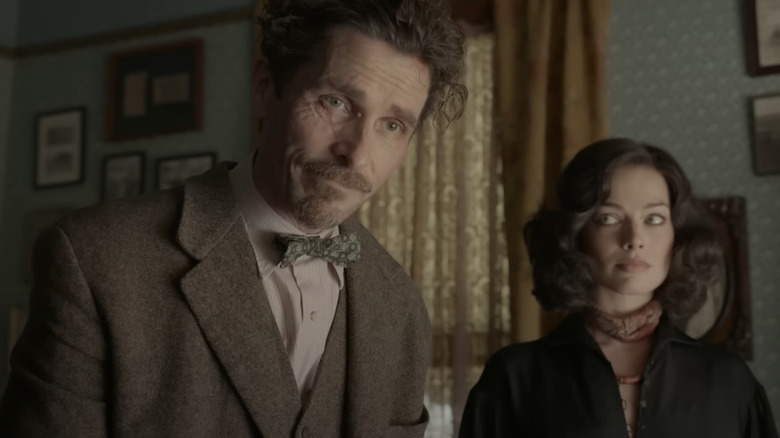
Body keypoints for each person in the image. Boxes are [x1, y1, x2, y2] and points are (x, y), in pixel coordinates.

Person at [0, 0, 467, 436]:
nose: (357, 154)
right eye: (336, 102)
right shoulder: (93, 259)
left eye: (392, 125)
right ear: (265, 87)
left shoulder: (403, 308)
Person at [459, 138, 778, 437]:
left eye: (654, 219)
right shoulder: (513, 379)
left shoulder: (729, 379)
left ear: (677, 235)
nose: (634, 239)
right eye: (608, 219)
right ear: (575, 234)